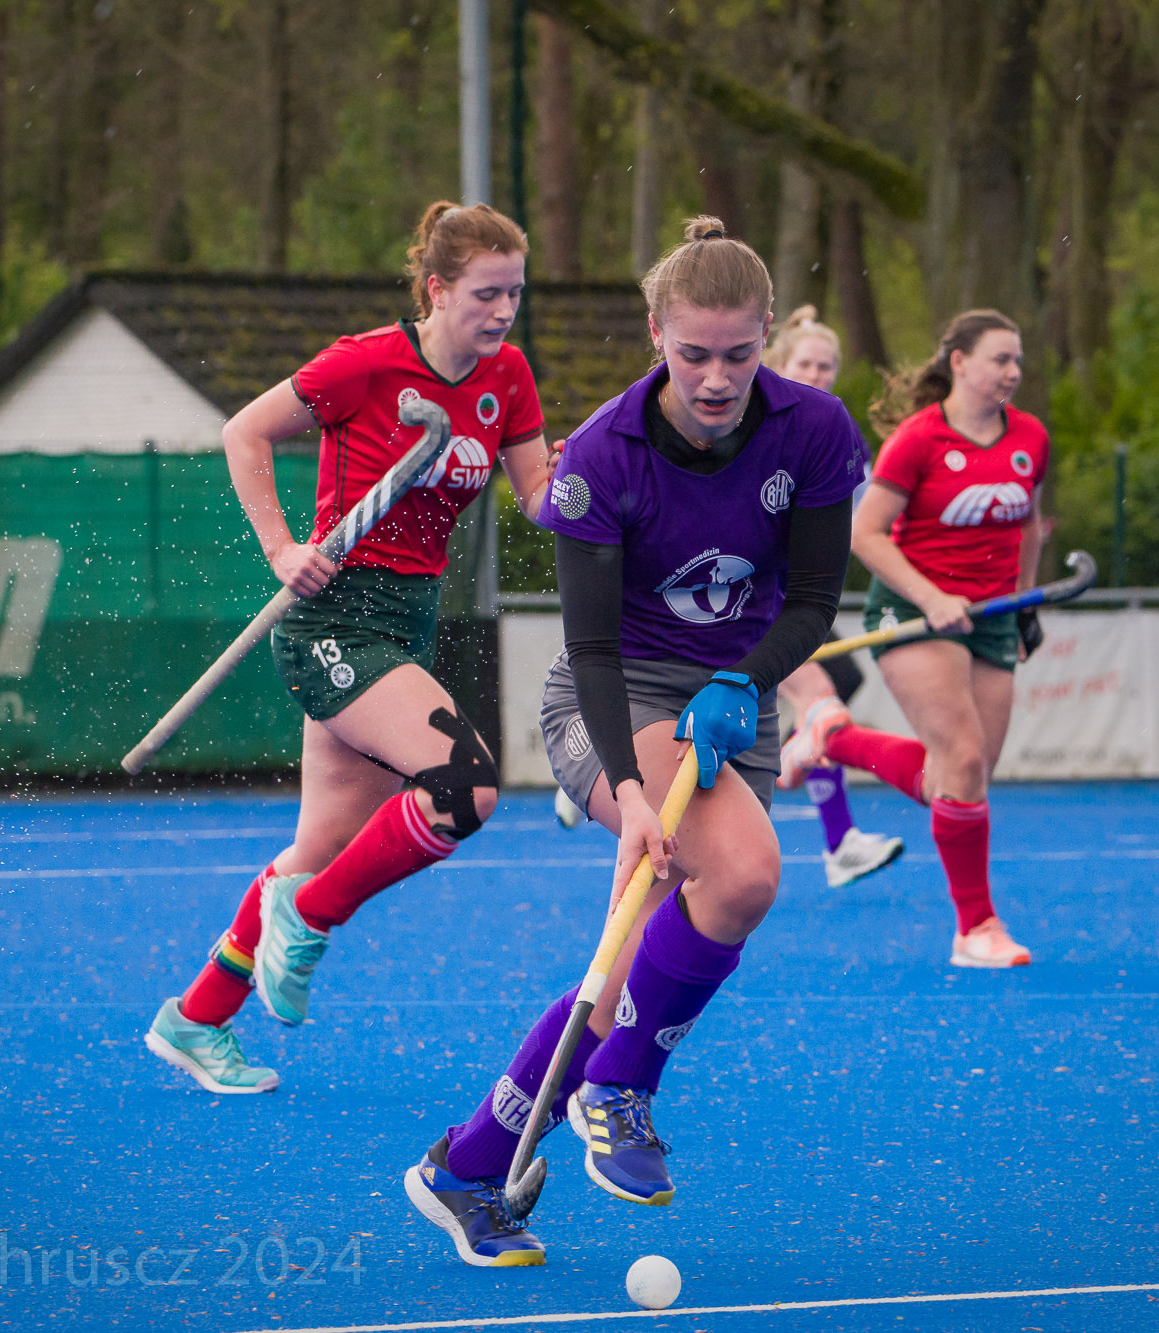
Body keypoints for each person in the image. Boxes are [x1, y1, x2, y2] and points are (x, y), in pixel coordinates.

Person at [405, 217, 868, 1266]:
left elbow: (810, 603)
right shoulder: (601, 459)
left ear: (766, 335)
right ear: (656, 332)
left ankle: (465, 1166)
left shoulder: (813, 430)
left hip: (729, 701)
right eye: (693, 353)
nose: (716, 378)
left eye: (738, 354)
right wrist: (626, 792)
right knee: (742, 874)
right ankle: (618, 1085)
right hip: (612, 698)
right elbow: (593, 651)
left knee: (623, 971)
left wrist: (742, 680)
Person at [143, 202, 557, 1094]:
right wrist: (281, 548)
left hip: (406, 624)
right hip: (334, 619)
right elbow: (244, 432)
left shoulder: (509, 376)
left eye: (515, 293)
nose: (503, 311)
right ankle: (312, 916)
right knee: (466, 786)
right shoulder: (365, 361)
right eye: (486, 294)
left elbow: (539, 496)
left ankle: (196, 1017)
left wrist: (603, 472)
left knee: (321, 845)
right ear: (437, 289)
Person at [778, 309, 1047, 969]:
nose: (1012, 371)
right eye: (1000, 359)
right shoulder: (918, 439)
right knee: (961, 759)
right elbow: (865, 534)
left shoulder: (1030, 437)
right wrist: (931, 597)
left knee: (963, 777)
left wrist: (1025, 603)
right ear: (959, 362)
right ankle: (975, 928)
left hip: (992, 616)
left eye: (1017, 360)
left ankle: (831, 739)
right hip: (912, 613)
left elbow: (1029, 525)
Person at [760, 305, 903, 888]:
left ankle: (836, 834)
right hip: (746, 596)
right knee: (819, 698)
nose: (817, 375)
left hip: (796, 599)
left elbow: (873, 517)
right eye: (806, 364)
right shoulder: (751, 418)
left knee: (833, 686)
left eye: (826, 366)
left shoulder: (837, 431)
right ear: (779, 364)